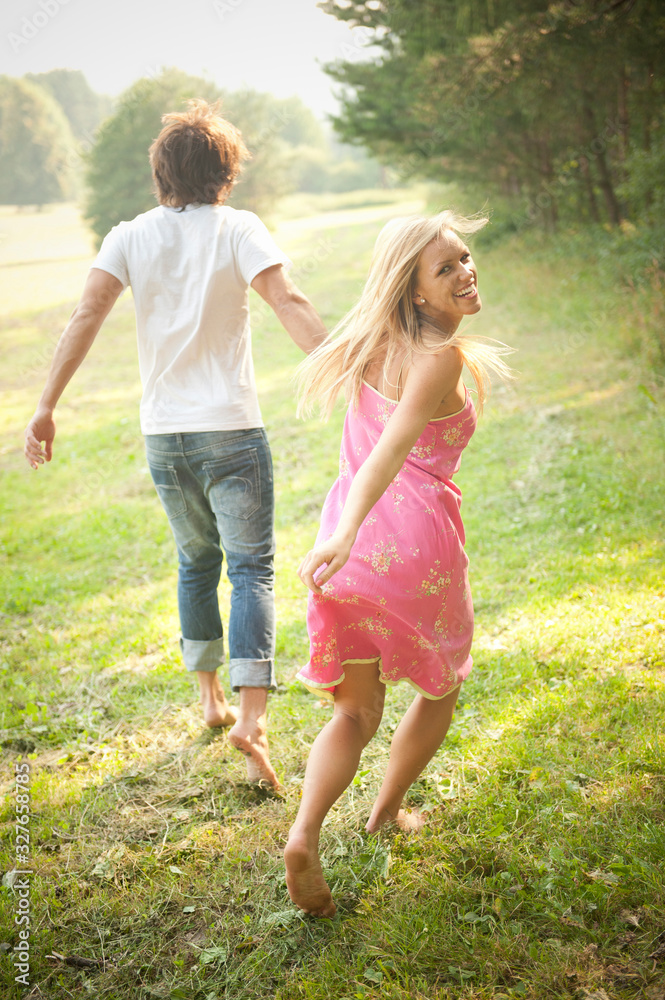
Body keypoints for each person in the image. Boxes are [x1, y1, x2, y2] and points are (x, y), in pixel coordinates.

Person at [24, 100, 326, 790]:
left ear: (162, 174)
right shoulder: (238, 228)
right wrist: (346, 365)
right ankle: (252, 717)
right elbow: (287, 301)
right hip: (231, 428)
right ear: (225, 175)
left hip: (165, 435)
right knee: (250, 568)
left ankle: (210, 701)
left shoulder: (128, 235)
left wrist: (46, 406)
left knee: (196, 563)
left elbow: (86, 314)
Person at [283, 210, 512, 916]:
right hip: (406, 544)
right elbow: (393, 448)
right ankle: (386, 812)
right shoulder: (438, 355)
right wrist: (351, 529)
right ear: (412, 290)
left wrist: (341, 534)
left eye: (465, 258)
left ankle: (304, 833)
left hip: (343, 549)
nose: (465, 272)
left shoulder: (366, 341)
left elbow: (303, 323)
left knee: (353, 712)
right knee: (439, 690)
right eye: (444, 269)